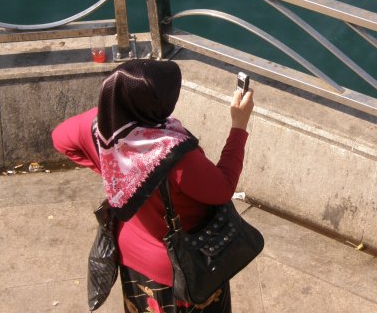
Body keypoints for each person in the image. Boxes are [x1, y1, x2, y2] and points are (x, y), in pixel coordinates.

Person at [52, 59, 254, 313]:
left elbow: (60, 139)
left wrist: (113, 174)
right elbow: (223, 187)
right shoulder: (177, 158)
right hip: (182, 266)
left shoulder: (99, 128)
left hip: (133, 258)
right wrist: (239, 125)